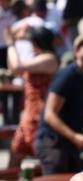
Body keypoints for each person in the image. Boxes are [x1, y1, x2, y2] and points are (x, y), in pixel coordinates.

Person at [34, 34, 83, 174]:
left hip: (70, 145)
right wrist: (74, 137)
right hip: (52, 143)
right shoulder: (68, 74)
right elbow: (49, 114)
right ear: (76, 51)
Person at [5, 26, 59, 166]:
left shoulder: (49, 59)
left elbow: (17, 68)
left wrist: (11, 44)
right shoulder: (38, 58)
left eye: (31, 43)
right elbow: (14, 68)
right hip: (29, 116)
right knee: (15, 155)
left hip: (40, 117)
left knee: (42, 159)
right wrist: (17, 37)